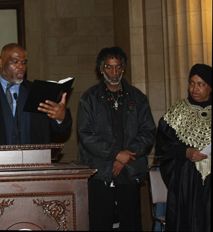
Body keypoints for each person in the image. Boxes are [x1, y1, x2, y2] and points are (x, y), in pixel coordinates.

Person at [77, 47, 156, 231]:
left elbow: (148, 132)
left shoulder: (137, 97)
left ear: (123, 68)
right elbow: (86, 135)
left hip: (130, 171)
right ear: (101, 69)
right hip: (101, 172)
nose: (114, 73)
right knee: (100, 223)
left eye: (118, 67)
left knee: (131, 224)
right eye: (109, 68)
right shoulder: (89, 98)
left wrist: (125, 158)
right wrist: (115, 154)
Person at [0, 43, 72, 158]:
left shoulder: (38, 92)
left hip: (34, 165)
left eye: (24, 62)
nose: (21, 66)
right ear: (1, 63)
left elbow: (59, 130)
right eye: (15, 61)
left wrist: (60, 118)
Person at [155, 63, 211, 231]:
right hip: (186, 182)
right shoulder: (178, 111)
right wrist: (185, 151)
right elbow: (163, 143)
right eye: (192, 83)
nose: (194, 88)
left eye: (200, 84)